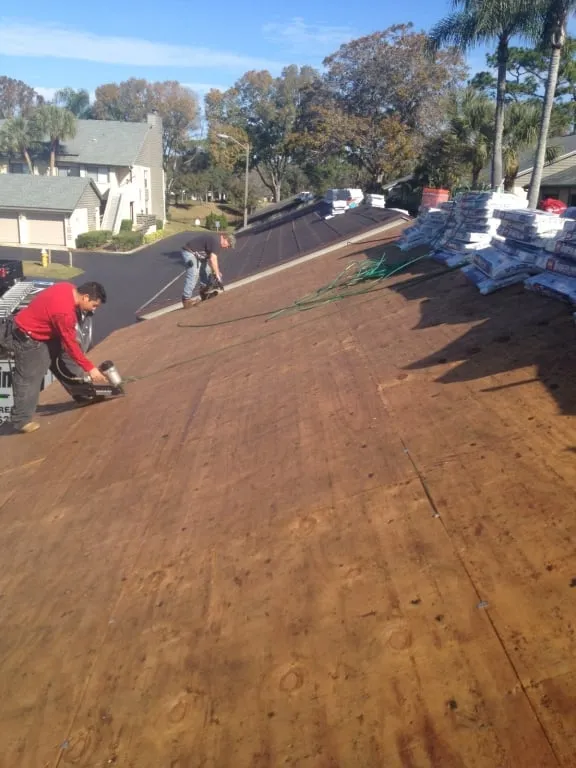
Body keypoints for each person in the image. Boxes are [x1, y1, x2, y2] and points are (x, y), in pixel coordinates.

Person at [0, 281, 108, 434]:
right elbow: (70, 344)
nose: (94, 310)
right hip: (26, 338)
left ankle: (83, 394)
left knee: (63, 361)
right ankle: (21, 420)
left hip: (43, 333)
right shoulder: (64, 313)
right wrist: (90, 368)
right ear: (85, 297)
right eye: (94, 305)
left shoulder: (67, 287)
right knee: (30, 377)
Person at [181, 232, 233, 309]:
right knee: (194, 272)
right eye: (228, 245)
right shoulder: (216, 241)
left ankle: (204, 293)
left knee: (207, 271)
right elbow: (213, 259)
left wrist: (216, 271)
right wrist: (218, 274)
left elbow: (211, 260)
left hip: (199, 256)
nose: (227, 247)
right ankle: (186, 300)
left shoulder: (217, 243)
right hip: (189, 252)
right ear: (225, 239)